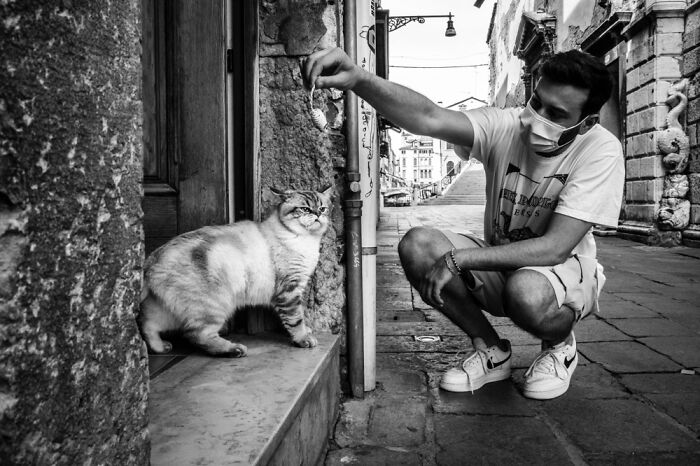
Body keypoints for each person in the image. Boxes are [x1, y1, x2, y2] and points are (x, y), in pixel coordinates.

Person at [302, 48, 624, 400]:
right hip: (502, 258)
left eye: (556, 114)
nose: (535, 118)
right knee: (418, 246)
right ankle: (491, 351)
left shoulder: (600, 150)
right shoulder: (507, 124)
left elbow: (555, 247)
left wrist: (459, 259)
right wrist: (359, 79)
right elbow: (429, 117)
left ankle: (560, 345)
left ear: (586, 123)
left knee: (526, 292)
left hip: (562, 270)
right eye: (536, 101)